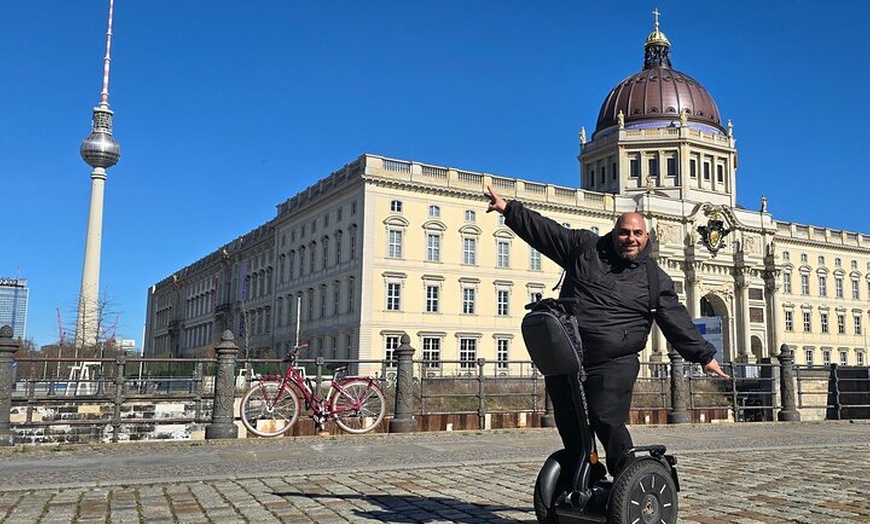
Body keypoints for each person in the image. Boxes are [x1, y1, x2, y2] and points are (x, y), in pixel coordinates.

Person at [485, 185, 729, 477]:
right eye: (625, 232)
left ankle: (625, 476)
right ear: (614, 233)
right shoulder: (584, 249)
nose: (631, 239)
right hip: (569, 355)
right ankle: (585, 472)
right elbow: (547, 233)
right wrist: (509, 210)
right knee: (569, 420)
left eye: (637, 234)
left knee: (606, 417)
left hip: (616, 360)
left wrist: (704, 355)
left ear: (646, 237)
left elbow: (676, 320)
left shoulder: (655, 278)